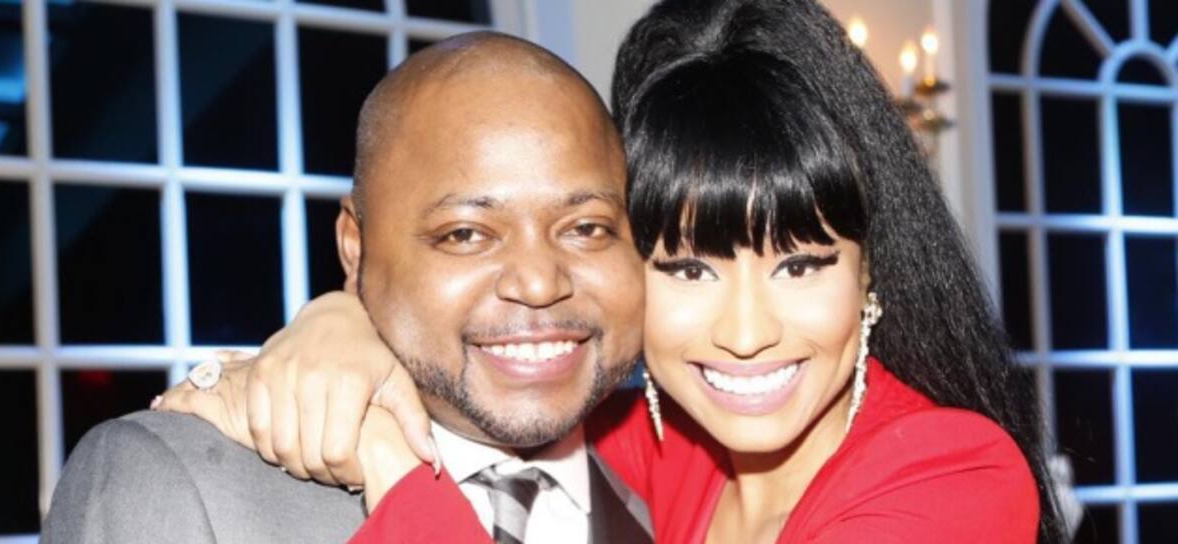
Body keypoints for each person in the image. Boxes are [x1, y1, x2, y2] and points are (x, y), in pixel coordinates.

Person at [162, 1, 1066, 542]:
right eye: (688, 269)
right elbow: (489, 370)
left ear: (870, 277)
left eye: (800, 265)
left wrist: (389, 462)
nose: (746, 334)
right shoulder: (653, 444)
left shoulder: (953, 476)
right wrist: (343, 321)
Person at [43, 32, 653, 544]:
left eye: (587, 228)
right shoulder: (173, 484)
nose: (540, 282)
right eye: (466, 234)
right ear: (355, 249)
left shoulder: (691, 472)